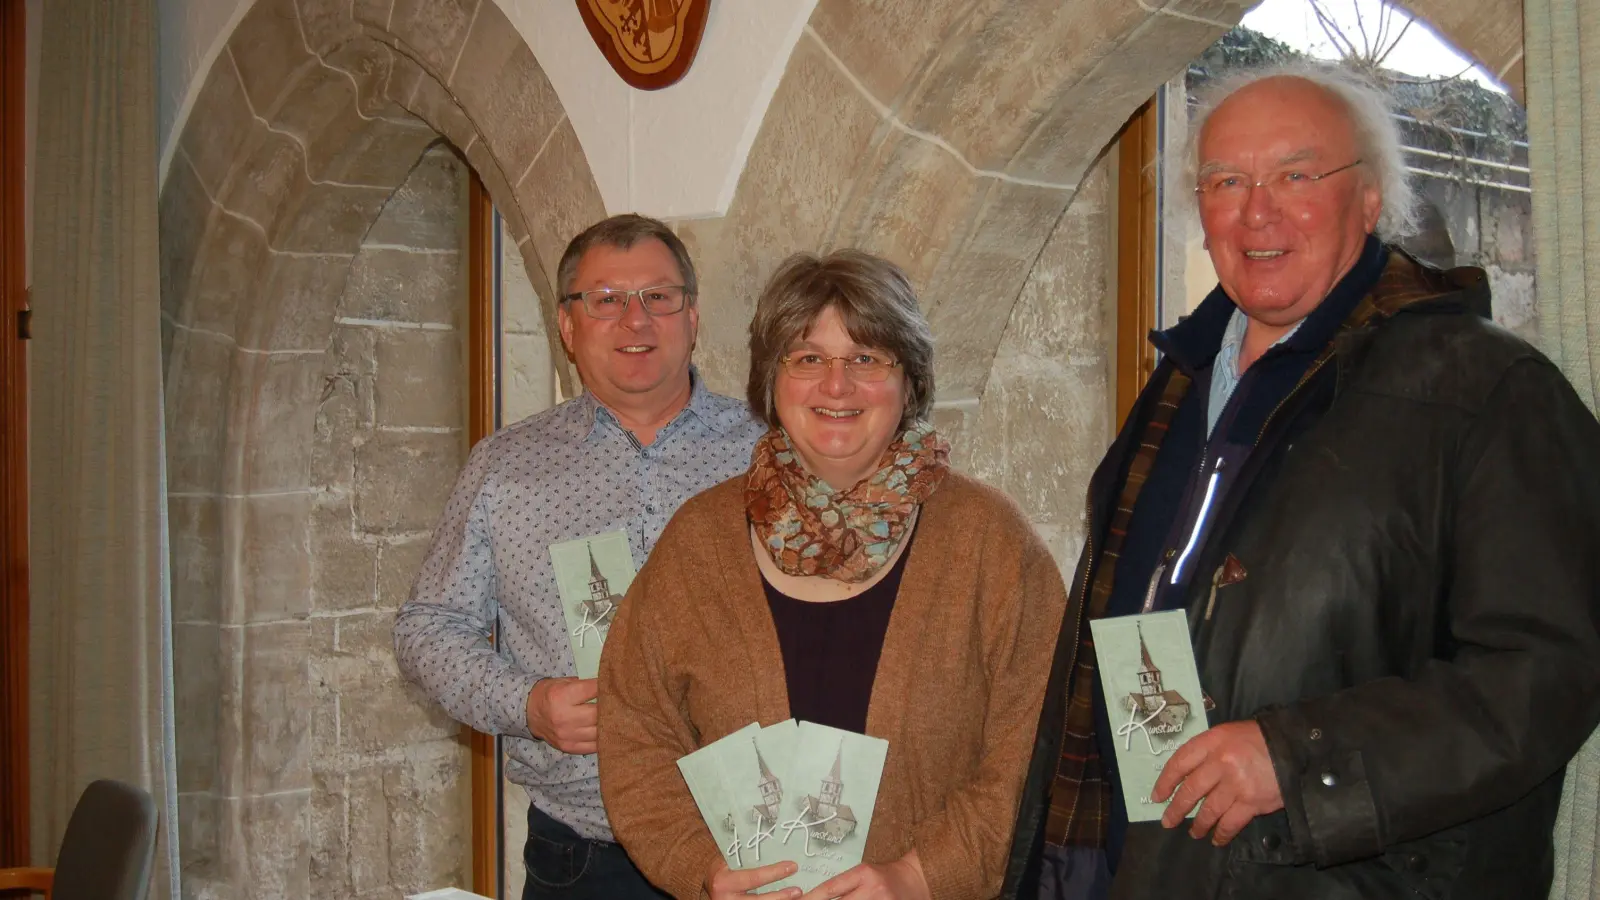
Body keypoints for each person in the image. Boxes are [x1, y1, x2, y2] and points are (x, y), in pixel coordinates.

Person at [1004, 61, 1600, 900]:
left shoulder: (1489, 394)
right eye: (1226, 180)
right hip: (1137, 859)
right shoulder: (1180, 379)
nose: (1257, 211)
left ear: (1370, 197)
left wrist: (1299, 759)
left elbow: (1548, 674)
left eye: (1295, 174)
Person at [596, 250, 1068, 900]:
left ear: (910, 382)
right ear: (772, 380)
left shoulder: (991, 542)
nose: (837, 385)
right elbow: (635, 730)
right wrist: (703, 870)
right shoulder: (697, 542)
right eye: (808, 358)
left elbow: (1033, 742)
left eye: (868, 358)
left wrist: (918, 877)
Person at [394, 214, 766, 900]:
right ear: (567, 325)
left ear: (692, 317)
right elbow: (427, 626)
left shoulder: (769, 455)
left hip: (757, 842)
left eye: (659, 296)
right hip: (586, 860)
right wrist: (529, 704)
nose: (637, 321)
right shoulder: (504, 469)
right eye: (606, 300)